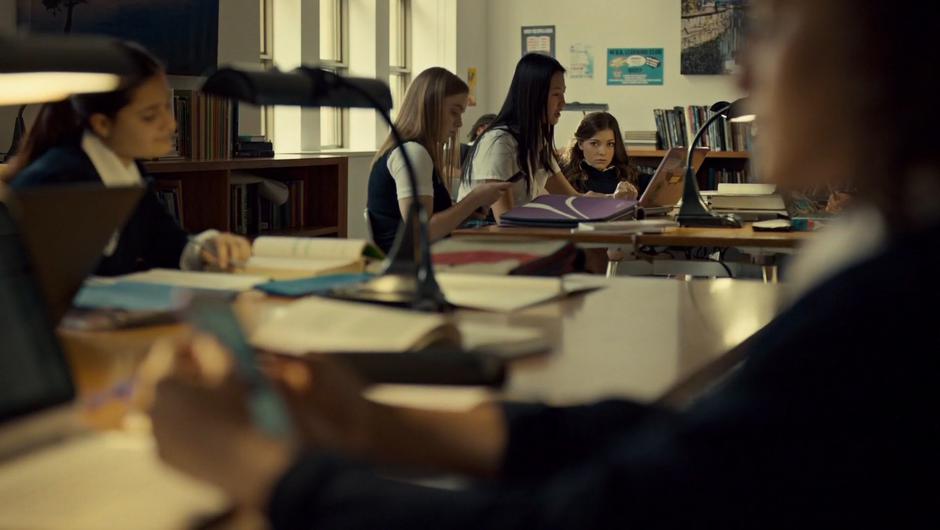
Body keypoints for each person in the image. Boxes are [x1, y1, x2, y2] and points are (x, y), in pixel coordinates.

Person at [148, 1, 940, 527]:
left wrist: (262, 469)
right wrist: (382, 423)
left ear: (890, 42)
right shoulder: (888, 265)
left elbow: (589, 513)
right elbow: (687, 442)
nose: (741, 71)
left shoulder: (892, 303)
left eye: (770, 25)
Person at [4, 41, 250, 275]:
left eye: (167, 107)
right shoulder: (58, 178)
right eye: (149, 116)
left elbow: (167, 244)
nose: (171, 124)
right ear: (102, 124)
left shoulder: (130, 171)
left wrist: (209, 246)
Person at [458, 54, 632, 220]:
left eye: (563, 93)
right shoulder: (499, 142)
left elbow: (573, 198)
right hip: (483, 235)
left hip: (514, 233)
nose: (563, 102)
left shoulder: (537, 141)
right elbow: (504, 219)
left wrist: (615, 198)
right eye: (556, 94)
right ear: (534, 96)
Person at [366, 67, 509, 253]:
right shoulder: (413, 153)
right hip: (412, 267)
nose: (459, 124)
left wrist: (466, 213)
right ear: (429, 107)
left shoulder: (410, 150)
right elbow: (421, 231)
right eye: (454, 112)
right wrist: (475, 198)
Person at [561, 112, 639, 198]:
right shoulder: (564, 178)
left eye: (610, 144)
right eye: (594, 143)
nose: (602, 152)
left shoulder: (629, 174)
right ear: (580, 144)